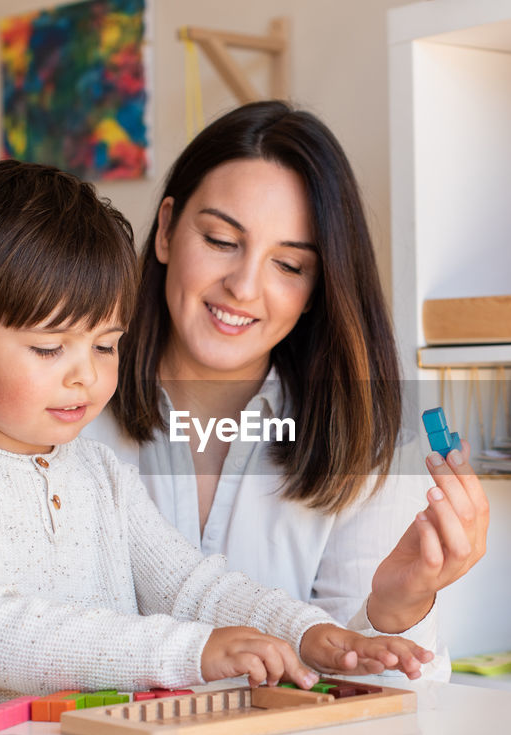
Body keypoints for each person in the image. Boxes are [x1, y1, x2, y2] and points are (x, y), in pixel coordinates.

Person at [0, 160, 431, 721]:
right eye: (50, 348)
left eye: (105, 345)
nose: (86, 375)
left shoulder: (99, 471)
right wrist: (189, 653)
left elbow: (190, 584)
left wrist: (305, 633)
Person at [83, 101, 489, 681]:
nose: (244, 287)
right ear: (168, 229)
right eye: (222, 239)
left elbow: (383, 715)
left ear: (317, 287)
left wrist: (397, 610)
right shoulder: (65, 407)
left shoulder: (363, 439)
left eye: (290, 266)